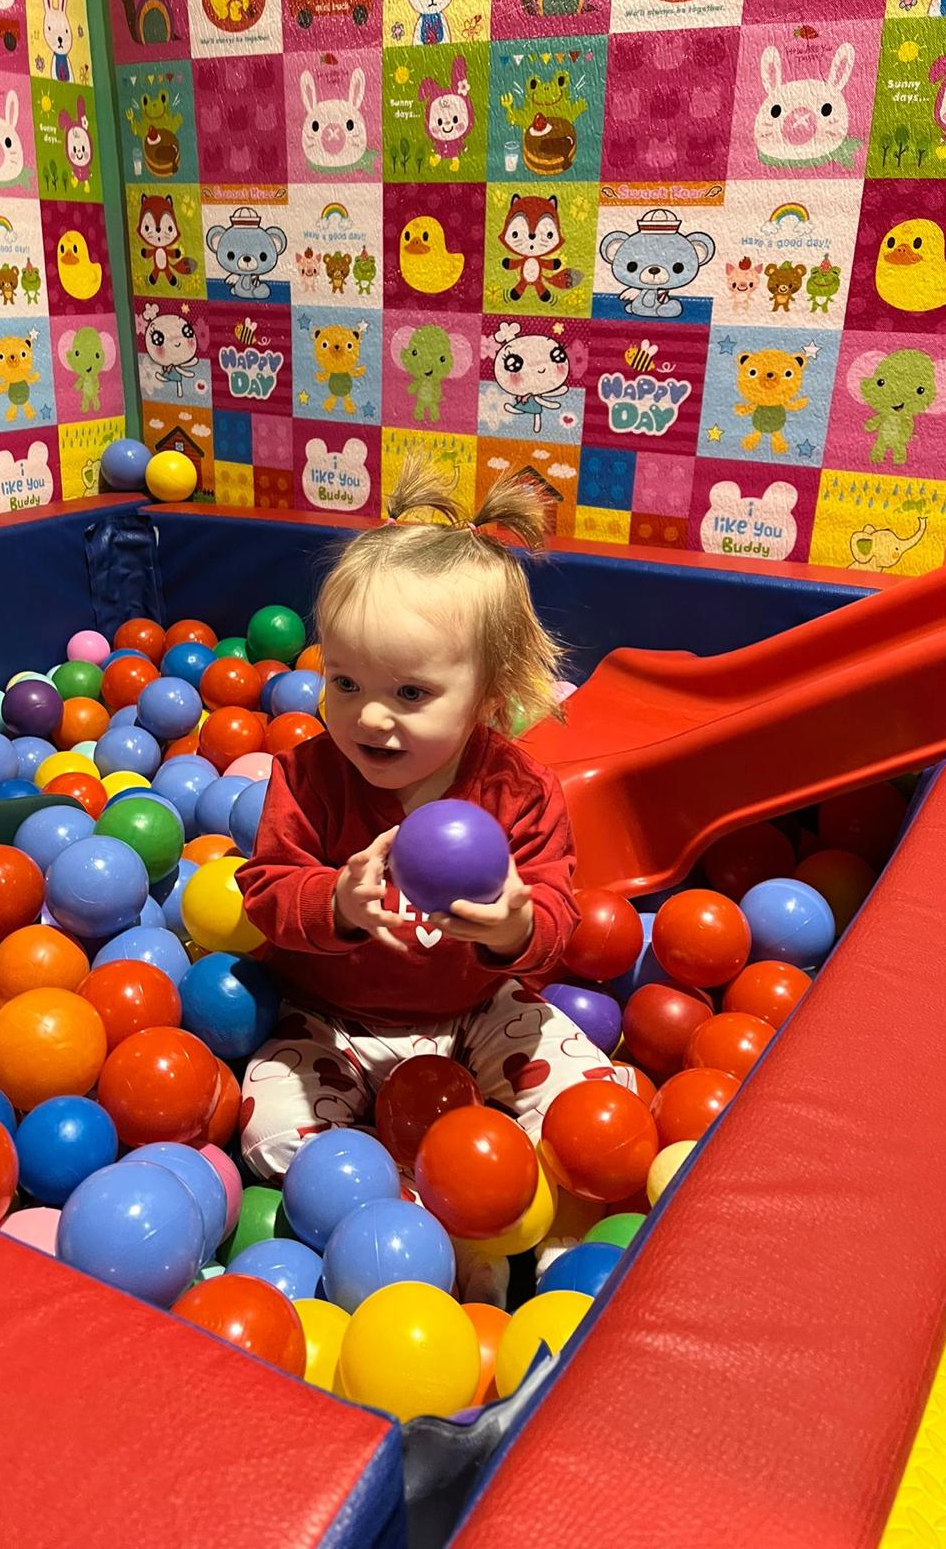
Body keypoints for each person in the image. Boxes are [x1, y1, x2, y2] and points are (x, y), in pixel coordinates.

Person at [236, 456, 630, 1289]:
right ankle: (411, 1209)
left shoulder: (519, 790)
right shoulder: (307, 777)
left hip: (477, 1008)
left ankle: (542, 1215)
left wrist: (518, 929)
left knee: (596, 1106)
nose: (368, 716)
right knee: (271, 1131)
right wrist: (336, 901)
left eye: (410, 693)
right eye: (343, 681)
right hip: (332, 1016)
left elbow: (557, 913)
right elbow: (265, 891)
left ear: (488, 694)